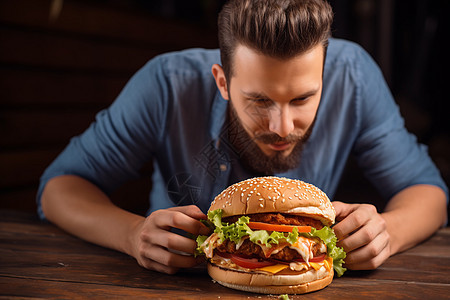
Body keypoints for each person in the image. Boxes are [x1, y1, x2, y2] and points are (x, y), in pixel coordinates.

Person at [38, 0, 448, 275]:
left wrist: (387, 232)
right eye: (259, 100)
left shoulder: (354, 73)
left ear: (325, 76)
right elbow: (59, 188)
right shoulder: (166, 83)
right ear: (223, 82)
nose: (283, 127)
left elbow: (427, 190)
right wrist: (129, 234)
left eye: (304, 98)